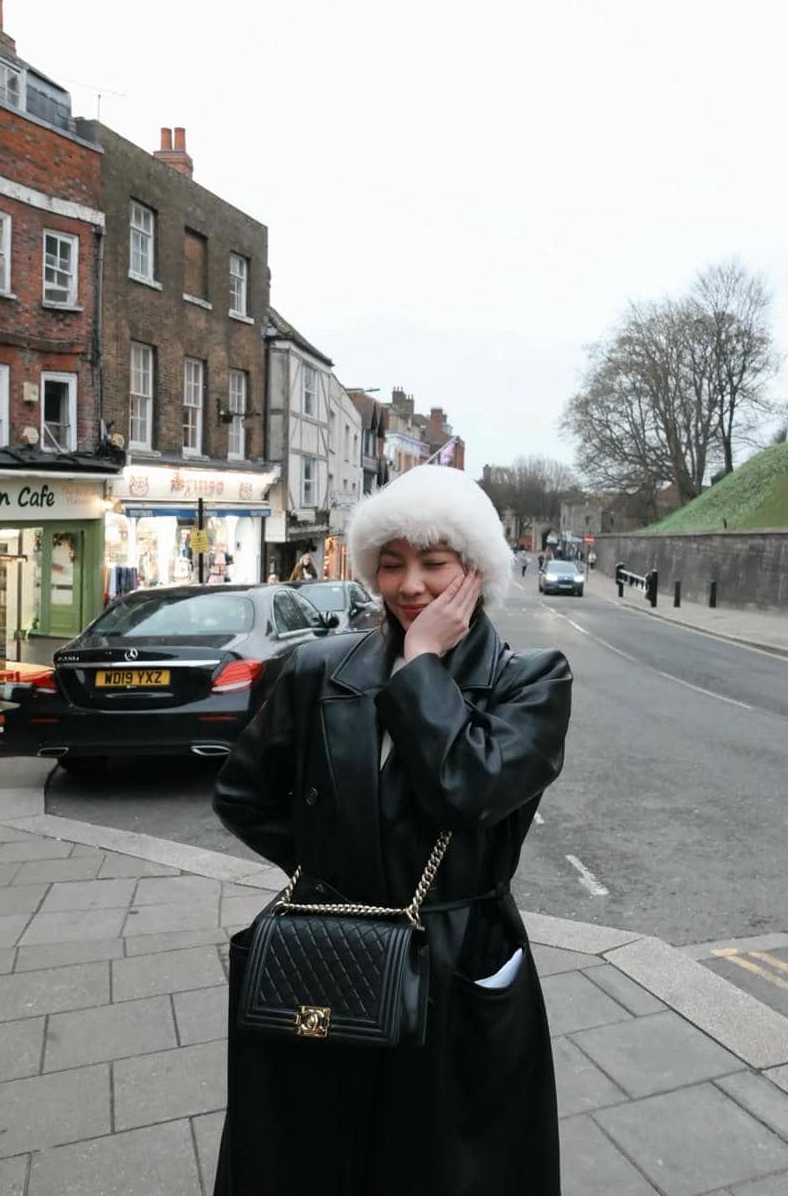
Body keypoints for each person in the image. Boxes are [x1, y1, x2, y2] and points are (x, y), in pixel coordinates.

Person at [212, 465, 572, 1196]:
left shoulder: (531, 681)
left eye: (433, 563)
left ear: (475, 570)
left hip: (458, 957)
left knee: (447, 1164)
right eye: (391, 563)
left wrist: (422, 666)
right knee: (316, 1152)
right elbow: (242, 794)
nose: (410, 585)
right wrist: (337, 865)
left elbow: (467, 789)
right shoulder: (317, 670)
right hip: (330, 950)